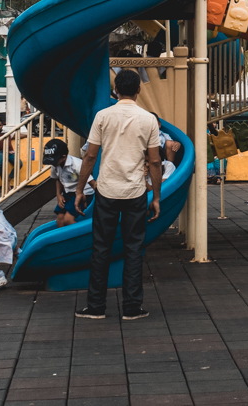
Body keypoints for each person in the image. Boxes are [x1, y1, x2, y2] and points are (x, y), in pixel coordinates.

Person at [75, 70, 162, 321]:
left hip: (107, 192)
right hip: (135, 193)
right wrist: (155, 196)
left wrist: (80, 190)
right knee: (134, 249)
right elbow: (155, 162)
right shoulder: (148, 120)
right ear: (139, 90)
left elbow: (90, 156)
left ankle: (96, 306)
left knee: (101, 248)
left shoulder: (103, 116)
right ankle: (132, 307)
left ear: (115, 90)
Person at [43, 139, 96, 227]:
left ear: (64, 157)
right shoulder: (56, 165)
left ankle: (79, 238)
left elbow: (91, 181)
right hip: (68, 194)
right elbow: (58, 179)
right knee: (59, 220)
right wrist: (59, 194)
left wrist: (100, 199)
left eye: (54, 161)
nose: (52, 163)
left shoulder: (77, 164)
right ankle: (64, 239)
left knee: (68, 219)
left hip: (84, 194)